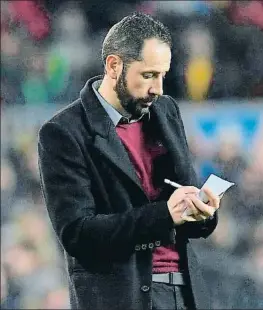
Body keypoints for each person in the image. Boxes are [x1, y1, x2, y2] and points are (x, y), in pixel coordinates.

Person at [37, 13, 221, 310]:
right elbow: (78, 235)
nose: (158, 88)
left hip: (188, 293)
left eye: (162, 74)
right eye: (148, 75)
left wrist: (203, 212)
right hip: (123, 298)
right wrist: (163, 215)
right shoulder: (63, 133)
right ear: (114, 66)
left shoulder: (166, 111)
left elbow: (183, 211)